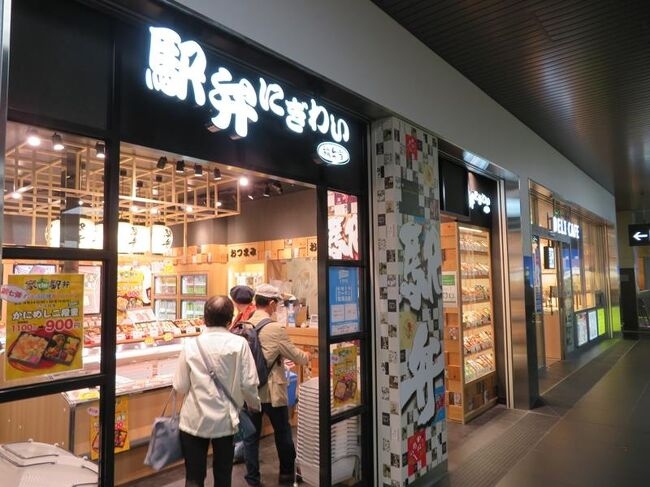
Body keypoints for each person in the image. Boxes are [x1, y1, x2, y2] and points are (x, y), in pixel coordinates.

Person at [173, 295, 261, 487]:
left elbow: (180, 386)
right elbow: (249, 383)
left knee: (194, 477)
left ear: (205, 318)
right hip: (226, 420)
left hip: (194, 420)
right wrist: (254, 404)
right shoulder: (239, 344)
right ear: (230, 319)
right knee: (223, 475)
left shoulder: (191, 345)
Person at [243, 284, 310, 487]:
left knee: (251, 437)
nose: (277, 307)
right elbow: (295, 355)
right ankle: (287, 475)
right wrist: (307, 356)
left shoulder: (245, 324)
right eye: (277, 304)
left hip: (250, 391)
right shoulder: (275, 328)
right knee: (282, 432)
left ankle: (252, 479)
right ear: (271, 303)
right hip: (271, 391)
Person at [228, 284, 257, 464]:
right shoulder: (247, 313)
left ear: (234, 301)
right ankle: (242, 451)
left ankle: (241, 452)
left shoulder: (246, 317)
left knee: (245, 415)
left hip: (245, 371)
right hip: (245, 371)